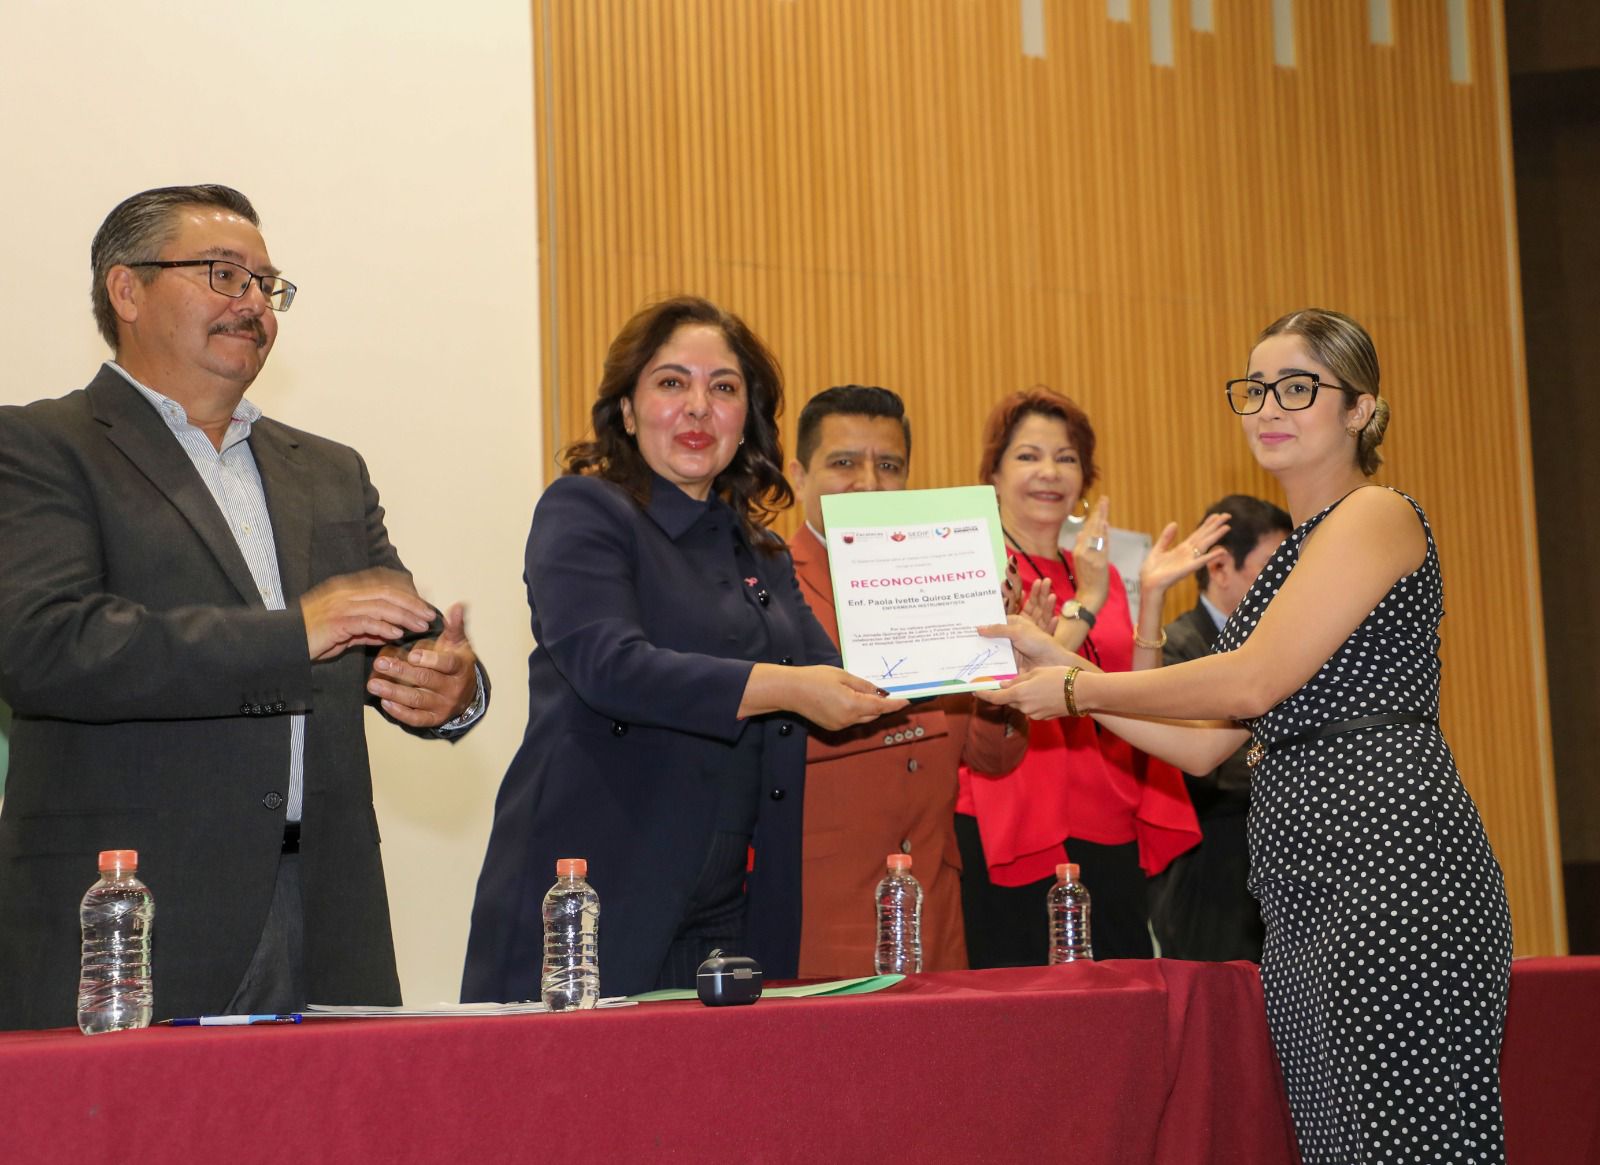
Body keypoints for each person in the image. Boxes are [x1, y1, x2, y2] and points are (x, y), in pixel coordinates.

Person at [979, 310, 1512, 1163]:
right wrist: (1059, 666)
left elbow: (1254, 681)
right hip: (1302, 885)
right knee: (1339, 1140)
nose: (1268, 406)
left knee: (1409, 1136)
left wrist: (1078, 687)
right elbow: (1203, 743)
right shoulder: (1287, 566)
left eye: (1298, 387)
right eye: (1255, 388)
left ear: (1361, 409)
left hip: (1389, 861)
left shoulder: (1375, 513)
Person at [0, 185, 486, 1031]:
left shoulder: (329, 470)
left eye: (267, 284)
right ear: (127, 290)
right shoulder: (41, 446)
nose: (254, 302)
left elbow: (399, 636)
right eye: (224, 274)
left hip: (327, 909)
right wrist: (295, 634)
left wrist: (451, 688)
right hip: (135, 916)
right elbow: (46, 644)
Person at [461, 298, 904, 1002]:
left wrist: (967, 641)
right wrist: (784, 687)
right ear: (627, 410)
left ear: (745, 419)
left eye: (723, 387)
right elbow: (611, 666)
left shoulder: (760, 550)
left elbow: (834, 676)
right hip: (594, 897)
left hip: (730, 906)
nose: (699, 406)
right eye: (672, 382)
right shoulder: (584, 510)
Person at [957, 387, 1225, 966]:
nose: (1049, 472)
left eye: (1066, 458)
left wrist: (1151, 594)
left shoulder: (1093, 571)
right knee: (1018, 999)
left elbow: (1139, 698)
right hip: (1014, 814)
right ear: (993, 475)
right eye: (1028, 456)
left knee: (1119, 996)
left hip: (1106, 810)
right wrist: (1087, 604)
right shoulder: (978, 568)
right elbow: (1021, 686)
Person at [786, 385, 1027, 976]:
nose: (869, 483)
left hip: (933, 904)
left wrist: (1004, 654)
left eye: (889, 466)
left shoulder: (950, 575)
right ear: (798, 475)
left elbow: (993, 758)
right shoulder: (767, 585)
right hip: (820, 905)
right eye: (844, 463)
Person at [1147, 494, 1291, 962]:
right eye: (1273, 567)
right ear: (1221, 567)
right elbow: (1199, 767)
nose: (1287, 583)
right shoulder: (1178, 648)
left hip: (1284, 862)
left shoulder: (1290, 645)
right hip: (1210, 871)